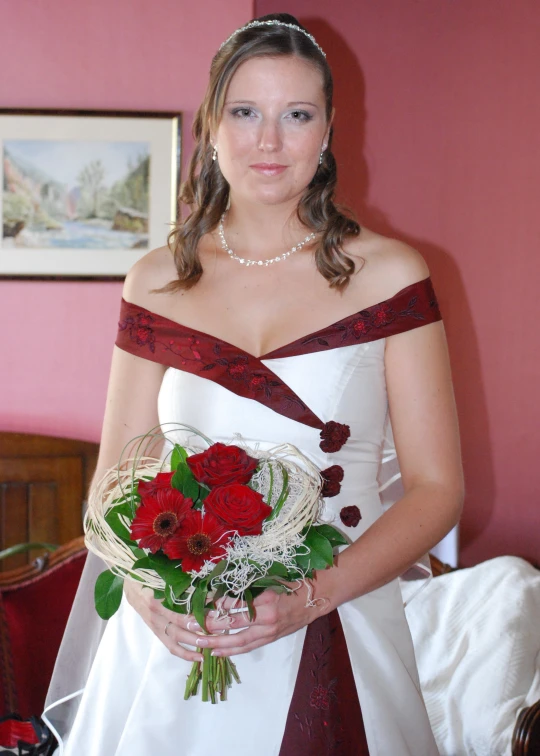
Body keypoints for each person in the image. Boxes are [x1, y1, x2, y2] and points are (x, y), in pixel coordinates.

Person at [44, 12, 463, 755]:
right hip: (174, 649)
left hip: (338, 615)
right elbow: (110, 488)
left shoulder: (394, 275)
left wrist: (307, 599)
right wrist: (149, 600)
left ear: (328, 131)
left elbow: (437, 489)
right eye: (245, 112)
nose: (269, 141)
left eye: (295, 115)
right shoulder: (156, 280)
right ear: (211, 123)